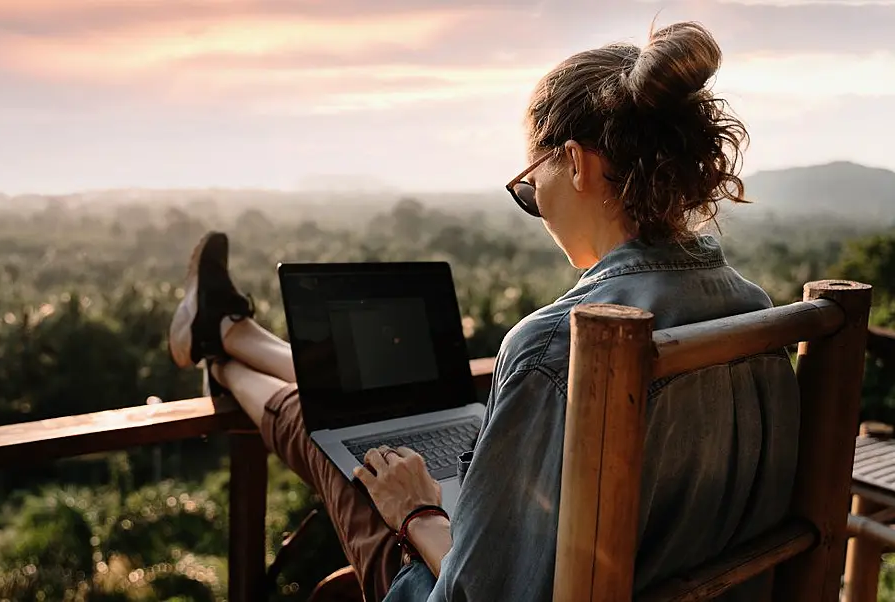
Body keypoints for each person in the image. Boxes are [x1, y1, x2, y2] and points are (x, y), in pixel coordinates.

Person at [167, 21, 800, 602]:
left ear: (576, 163)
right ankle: (229, 335)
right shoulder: (756, 314)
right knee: (363, 421)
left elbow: (478, 596)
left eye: (531, 185)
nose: (537, 205)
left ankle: (222, 353)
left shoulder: (561, 345)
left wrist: (419, 513)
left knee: (341, 439)